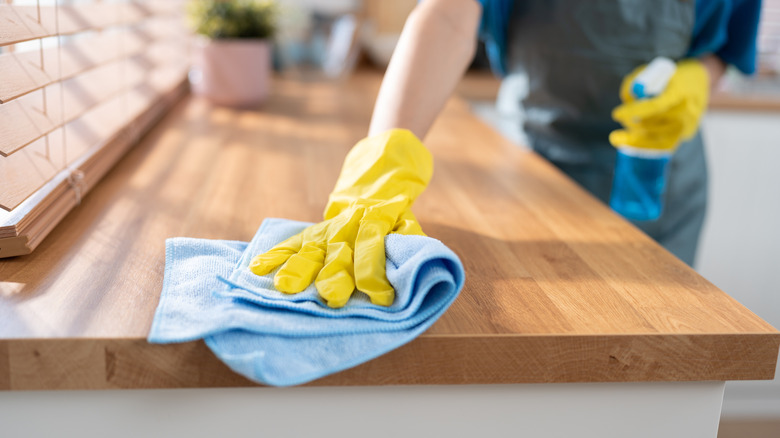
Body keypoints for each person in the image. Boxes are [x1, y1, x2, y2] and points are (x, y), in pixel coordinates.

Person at [251, 0, 762, 307]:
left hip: (660, 181)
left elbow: (727, 44)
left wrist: (699, 79)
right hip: (531, 173)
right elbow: (449, 14)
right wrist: (380, 161)